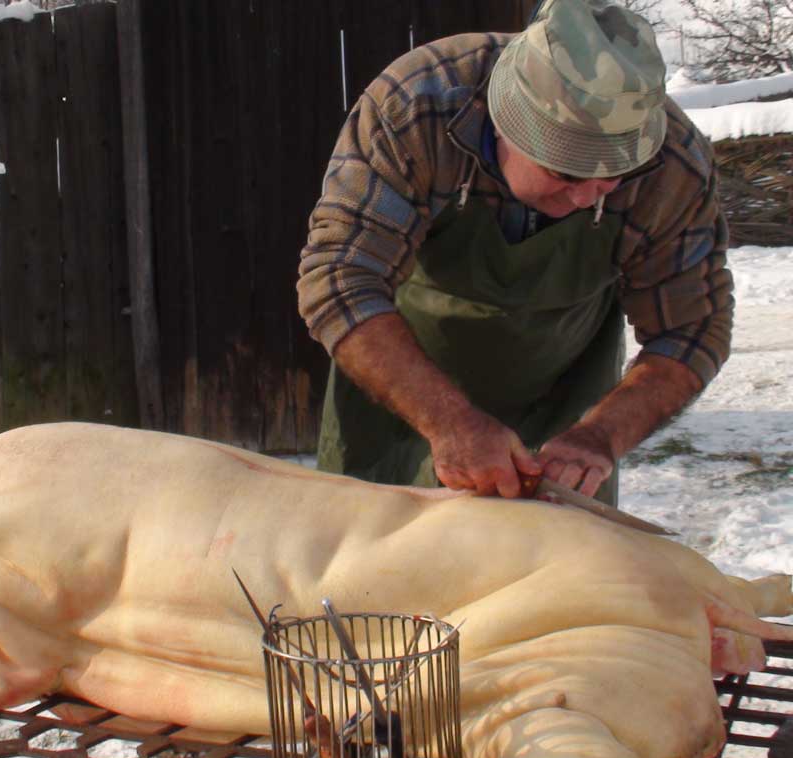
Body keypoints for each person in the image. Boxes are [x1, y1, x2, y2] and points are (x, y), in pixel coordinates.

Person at [297, 0, 732, 504]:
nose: (589, 196)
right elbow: (340, 278)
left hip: (565, 390)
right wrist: (448, 419)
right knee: (370, 570)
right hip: (401, 385)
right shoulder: (417, 107)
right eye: (566, 172)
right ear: (505, 122)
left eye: (615, 176)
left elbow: (693, 327)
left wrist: (602, 434)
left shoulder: (675, 165)